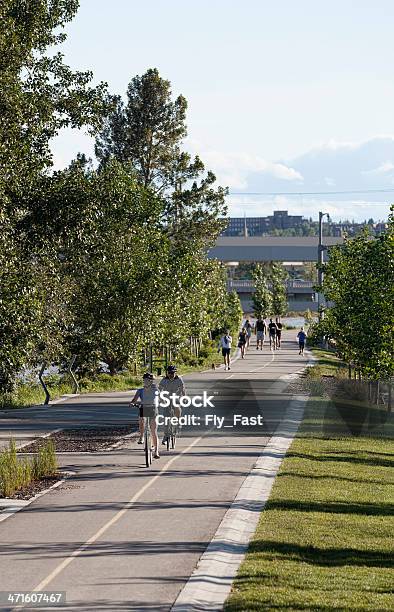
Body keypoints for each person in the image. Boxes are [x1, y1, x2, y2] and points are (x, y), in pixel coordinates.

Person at [130, 372, 160, 459]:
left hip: (153, 409)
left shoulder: (155, 390)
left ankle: (156, 451)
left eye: (148, 380)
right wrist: (132, 403)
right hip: (143, 408)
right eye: (145, 380)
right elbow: (134, 400)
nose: (146, 381)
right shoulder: (140, 390)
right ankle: (142, 436)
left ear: (151, 381)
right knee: (141, 420)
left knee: (153, 431)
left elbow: (161, 397)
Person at [159, 365, 186, 445]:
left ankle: (178, 421)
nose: (171, 374)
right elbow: (159, 389)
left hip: (176, 397)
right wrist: (161, 398)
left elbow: (182, 389)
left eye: (173, 373)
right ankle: (165, 436)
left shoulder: (179, 379)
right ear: (167, 373)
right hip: (167, 399)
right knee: (166, 419)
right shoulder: (164, 380)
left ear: (175, 373)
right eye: (170, 373)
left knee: (177, 407)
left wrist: (184, 397)